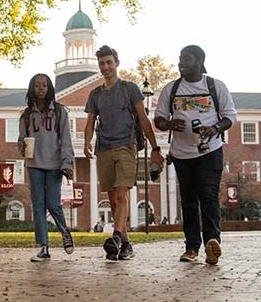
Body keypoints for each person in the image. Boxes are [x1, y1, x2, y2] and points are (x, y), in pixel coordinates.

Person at [154, 45, 237, 264]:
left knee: (208, 197)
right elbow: (159, 119)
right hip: (181, 154)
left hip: (210, 151)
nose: (181, 63)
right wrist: (169, 123)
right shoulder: (171, 89)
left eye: (187, 59)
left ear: (199, 61)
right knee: (188, 201)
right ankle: (191, 248)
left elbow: (230, 116)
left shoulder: (215, 86)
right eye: (180, 59)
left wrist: (215, 129)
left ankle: (212, 242)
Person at [84, 45, 164, 261]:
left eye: (109, 62)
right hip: (104, 149)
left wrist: (155, 148)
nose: (106, 67)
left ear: (117, 63)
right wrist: (86, 142)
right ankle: (125, 245)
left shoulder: (130, 89)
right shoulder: (95, 94)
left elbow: (144, 120)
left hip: (126, 147)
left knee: (122, 195)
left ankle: (117, 236)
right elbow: (90, 121)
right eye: (102, 63)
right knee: (113, 199)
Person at [18, 73, 75, 262]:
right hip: (34, 164)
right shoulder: (26, 115)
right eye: (37, 85)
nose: (41, 88)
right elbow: (21, 141)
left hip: (54, 165)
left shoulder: (59, 112)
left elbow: (66, 140)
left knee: (53, 203)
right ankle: (44, 247)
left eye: (44, 85)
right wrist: (23, 147)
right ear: (32, 88)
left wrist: (67, 164)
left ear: (49, 87)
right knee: (38, 206)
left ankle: (65, 233)